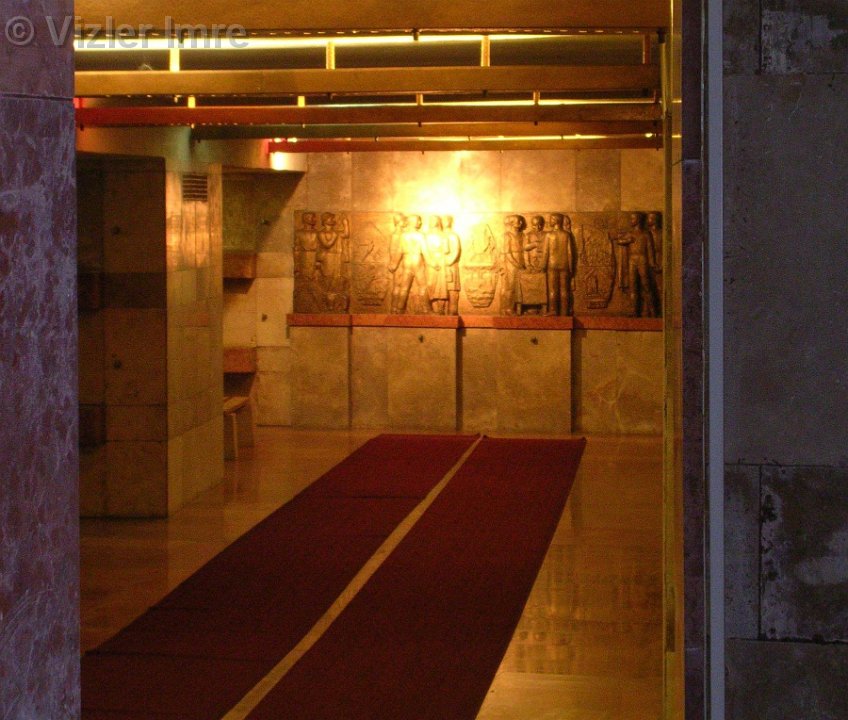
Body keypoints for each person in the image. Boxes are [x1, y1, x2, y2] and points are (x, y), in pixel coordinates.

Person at [616, 212, 659, 317]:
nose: (631, 221)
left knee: (646, 285)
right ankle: (634, 312)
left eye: (633, 219)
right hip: (632, 260)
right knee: (633, 286)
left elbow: (650, 249)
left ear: (638, 220)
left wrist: (652, 263)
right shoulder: (630, 234)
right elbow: (619, 241)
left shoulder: (646, 234)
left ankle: (653, 312)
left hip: (642, 260)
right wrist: (627, 240)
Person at [388, 214, 430, 314]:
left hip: (406, 261)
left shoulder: (403, 236)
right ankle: (426, 309)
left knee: (404, 287)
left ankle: (399, 309)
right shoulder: (420, 236)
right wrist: (431, 262)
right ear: (413, 222)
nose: (420, 222)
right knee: (423, 286)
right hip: (417, 260)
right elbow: (425, 251)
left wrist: (394, 263)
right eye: (418, 220)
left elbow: (399, 250)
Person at [545, 213, 576, 316]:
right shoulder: (566, 235)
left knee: (552, 289)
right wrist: (571, 269)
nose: (549, 221)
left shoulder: (549, 235)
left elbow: (546, 253)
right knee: (564, 290)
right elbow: (570, 253)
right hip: (564, 265)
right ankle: (564, 312)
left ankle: (553, 310)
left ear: (555, 221)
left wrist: (542, 267)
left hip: (552, 265)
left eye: (551, 219)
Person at [423, 215, 449, 314]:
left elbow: (446, 250)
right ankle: (429, 308)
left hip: (441, 262)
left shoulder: (443, 235)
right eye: (431, 220)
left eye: (434, 220)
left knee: (442, 286)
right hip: (431, 262)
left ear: (438, 222)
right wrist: (431, 262)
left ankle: (440, 309)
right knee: (430, 284)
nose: (432, 221)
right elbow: (424, 251)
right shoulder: (426, 236)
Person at [500, 214, 526, 315]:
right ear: (512, 223)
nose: (520, 223)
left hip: (520, 259)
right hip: (511, 263)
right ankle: (508, 308)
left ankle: (518, 308)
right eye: (518, 221)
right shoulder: (507, 235)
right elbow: (507, 253)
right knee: (510, 287)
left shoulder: (522, 235)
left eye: (521, 221)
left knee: (520, 287)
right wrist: (516, 263)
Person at [442, 215, 462, 316]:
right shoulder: (440, 235)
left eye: (447, 220)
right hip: (440, 268)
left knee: (452, 290)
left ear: (451, 222)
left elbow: (455, 251)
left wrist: (447, 263)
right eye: (443, 220)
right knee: (441, 290)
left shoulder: (453, 236)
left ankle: (452, 312)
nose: (445, 222)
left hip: (450, 266)